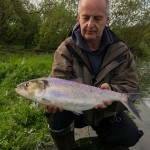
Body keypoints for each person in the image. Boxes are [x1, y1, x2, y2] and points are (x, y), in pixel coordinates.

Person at [44, 0, 143, 149]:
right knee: (57, 117)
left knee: (129, 136)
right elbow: (59, 81)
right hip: (75, 109)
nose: (90, 25)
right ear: (78, 17)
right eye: (85, 18)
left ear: (107, 19)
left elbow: (130, 87)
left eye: (97, 18)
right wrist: (53, 99)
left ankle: (104, 141)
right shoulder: (66, 49)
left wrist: (112, 92)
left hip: (104, 111)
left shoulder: (121, 51)